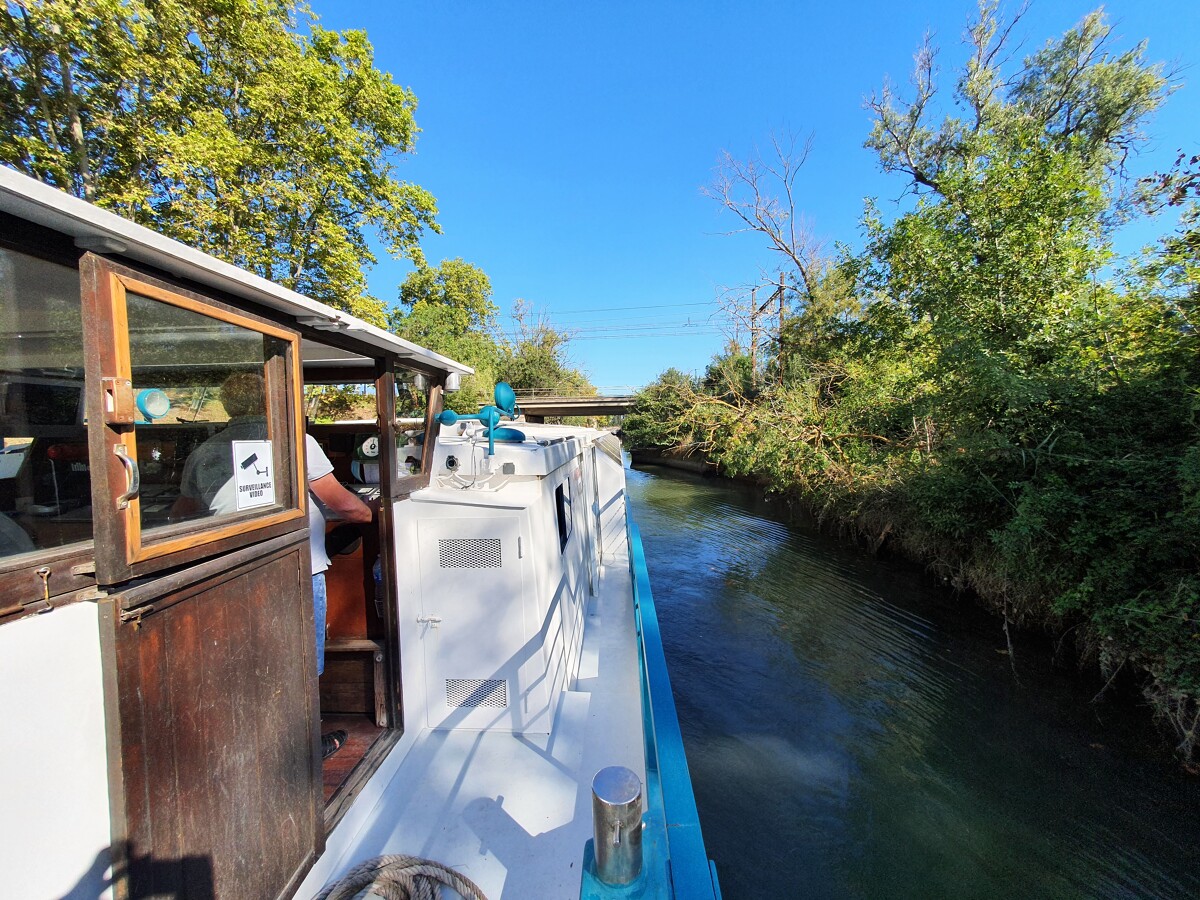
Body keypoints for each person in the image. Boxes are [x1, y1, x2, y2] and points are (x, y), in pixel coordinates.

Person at [173, 373, 374, 758]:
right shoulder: (299, 442)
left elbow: (184, 512)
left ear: (229, 407)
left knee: (248, 659)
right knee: (301, 659)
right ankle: (301, 748)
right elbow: (344, 504)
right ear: (272, 401)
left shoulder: (205, 451)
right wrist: (369, 513)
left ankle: (252, 744)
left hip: (230, 570)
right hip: (294, 568)